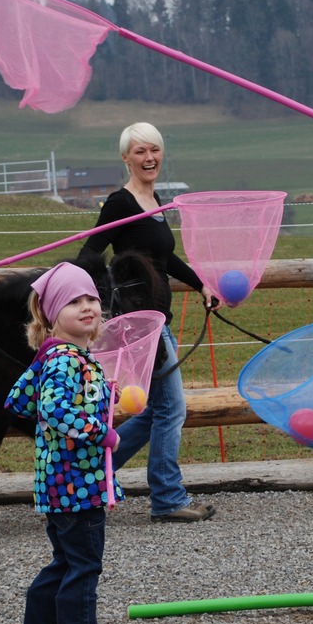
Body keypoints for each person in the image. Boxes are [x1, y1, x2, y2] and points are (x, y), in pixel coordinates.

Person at [77, 122, 216, 523]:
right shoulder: (120, 202)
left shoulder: (154, 200)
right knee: (172, 409)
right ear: (126, 158)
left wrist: (201, 284)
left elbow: (164, 258)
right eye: (139, 151)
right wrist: (103, 303)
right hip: (139, 323)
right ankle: (169, 499)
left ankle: (90, 476)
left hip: (158, 319)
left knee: (156, 411)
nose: (149, 158)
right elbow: (91, 252)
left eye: (154, 150)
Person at [4, 262, 127, 624]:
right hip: (78, 483)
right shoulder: (66, 359)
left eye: (91, 298)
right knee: (82, 566)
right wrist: (100, 431)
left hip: (58, 484)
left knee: (63, 563)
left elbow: (19, 401)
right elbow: (53, 408)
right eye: (74, 301)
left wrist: (97, 396)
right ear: (52, 314)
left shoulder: (55, 356)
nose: (87, 306)